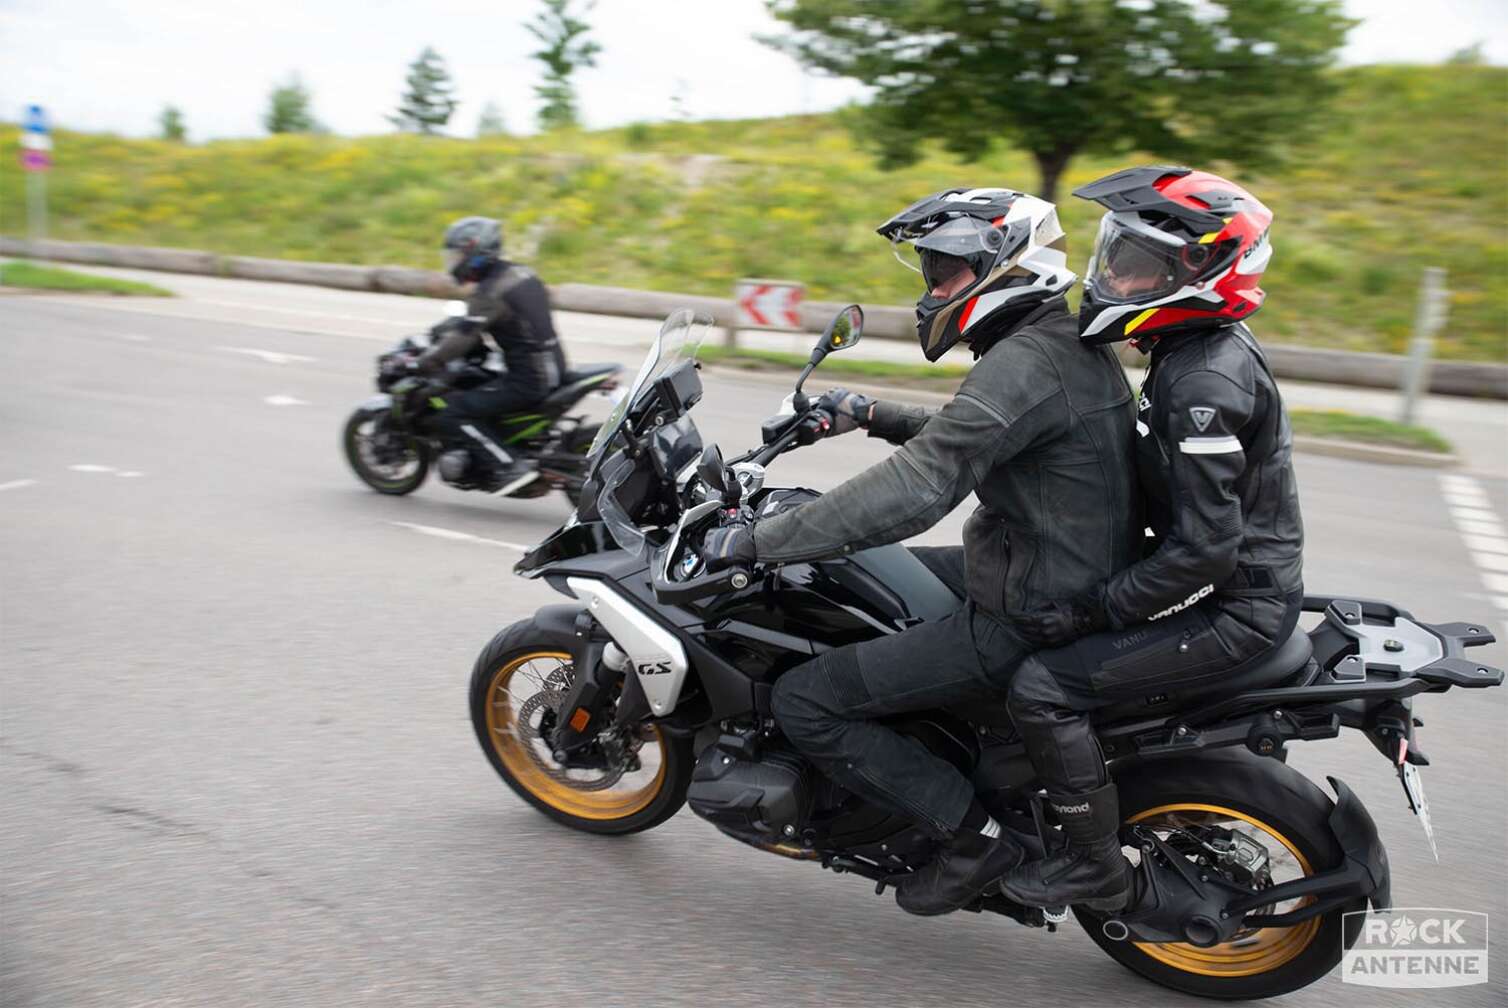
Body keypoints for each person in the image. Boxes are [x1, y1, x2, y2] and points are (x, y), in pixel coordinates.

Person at [700, 187, 1138, 916]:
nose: (929, 292)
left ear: (1001, 267)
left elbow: (920, 485)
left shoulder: (1025, 362)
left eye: (943, 274)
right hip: (1044, 564)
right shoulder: (1048, 346)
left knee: (806, 700)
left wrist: (758, 541)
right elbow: (974, 435)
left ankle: (975, 837)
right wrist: (869, 413)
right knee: (849, 572)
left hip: (1031, 603)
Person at [998, 166, 1303, 912]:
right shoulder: (1192, 354)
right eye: (1116, 257)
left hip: (1237, 613)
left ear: (1202, 273)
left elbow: (1206, 550)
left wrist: (1092, 611)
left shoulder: (1202, 387)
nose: (1114, 278)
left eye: (1138, 267)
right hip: (1233, 589)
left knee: (1043, 688)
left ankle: (1092, 864)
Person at [413, 216, 568, 494]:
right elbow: (511, 320)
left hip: (530, 379)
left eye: (458, 255)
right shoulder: (523, 274)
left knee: (452, 412)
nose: (454, 262)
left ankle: (509, 466)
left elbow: (463, 337)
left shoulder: (490, 292)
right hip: (553, 364)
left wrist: (429, 361)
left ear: (476, 252)